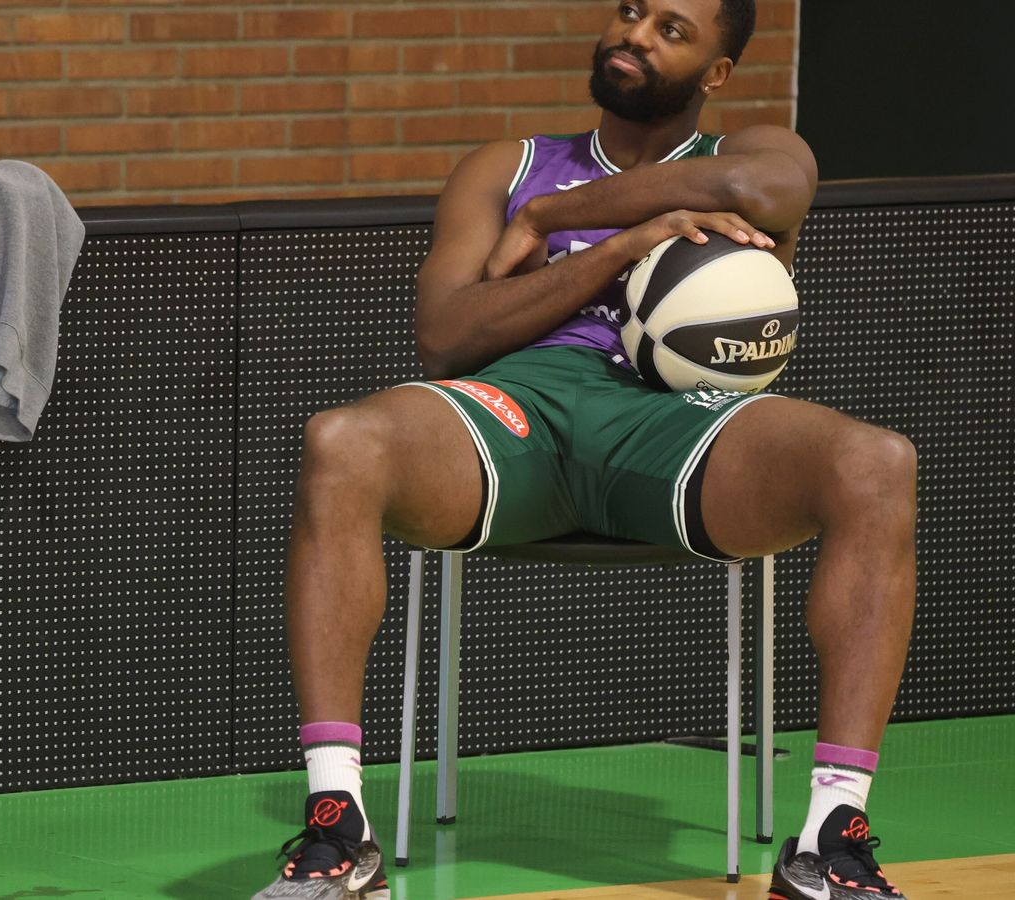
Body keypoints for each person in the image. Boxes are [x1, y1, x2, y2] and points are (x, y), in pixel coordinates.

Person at [250, 2, 916, 900]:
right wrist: (626, 247)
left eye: (672, 29)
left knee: (876, 462)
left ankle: (834, 834)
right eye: (632, 11)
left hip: (681, 421)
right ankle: (338, 821)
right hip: (514, 411)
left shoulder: (752, 149)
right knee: (342, 441)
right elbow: (446, 338)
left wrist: (561, 217)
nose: (636, 34)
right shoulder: (505, 166)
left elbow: (765, 195)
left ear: (716, 72)